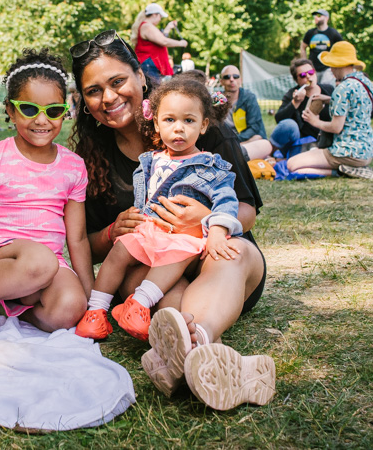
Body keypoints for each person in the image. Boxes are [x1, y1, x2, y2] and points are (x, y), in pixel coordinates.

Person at [69, 29, 274, 410]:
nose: (108, 97)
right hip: (154, 274)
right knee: (141, 279)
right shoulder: (92, 158)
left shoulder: (197, 121)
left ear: (140, 76)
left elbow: (246, 210)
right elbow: (90, 244)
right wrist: (113, 231)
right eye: (94, 91)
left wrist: (205, 220)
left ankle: (200, 338)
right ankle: (203, 357)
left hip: (218, 263)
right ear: (84, 102)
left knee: (233, 252)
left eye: (117, 81)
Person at [75, 76, 245, 343]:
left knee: (174, 258)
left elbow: (227, 202)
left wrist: (215, 230)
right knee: (120, 249)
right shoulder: (150, 160)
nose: (178, 128)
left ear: (203, 125)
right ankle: (95, 311)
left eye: (188, 121)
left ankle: (139, 305)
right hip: (150, 231)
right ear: (155, 123)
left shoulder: (211, 167)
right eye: (169, 120)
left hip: (183, 239)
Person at [0, 49, 92, 336]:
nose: (42, 120)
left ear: (64, 111)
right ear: (10, 111)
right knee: (40, 262)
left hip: (48, 265)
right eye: (29, 109)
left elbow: (77, 238)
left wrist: (92, 301)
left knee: (71, 307)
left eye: (53, 110)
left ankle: (14, 309)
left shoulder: (74, 166)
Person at [286, 41, 373, 179]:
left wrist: (314, 121)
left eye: (332, 65)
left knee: (292, 165)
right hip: (366, 152)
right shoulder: (364, 82)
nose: (331, 70)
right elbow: (354, 104)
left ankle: (340, 172)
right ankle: (351, 168)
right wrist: (330, 99)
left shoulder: (342, 88)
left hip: (345, 152)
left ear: (338, 65)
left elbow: (336, 127)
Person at [271, 58, 333, 159]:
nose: (308, 76)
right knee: (289, 124)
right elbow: (280, 120)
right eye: (303, 75)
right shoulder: (292, 94)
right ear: (297, 80)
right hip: (301, 140)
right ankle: (272, 151)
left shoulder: (328, 89)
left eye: (311, 72)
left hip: (325, 138)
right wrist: (295, 103)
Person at [218, 65, 271, 160]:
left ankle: (236, 151)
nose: (231, 79)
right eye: (227, 77)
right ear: (221, 81)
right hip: (227, 142)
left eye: (235, 76)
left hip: (245, 139)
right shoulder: (217, 100)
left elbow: (254, 127)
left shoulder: (249, 98)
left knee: (258, 139)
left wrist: (235, 140)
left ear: (240, 80)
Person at [129, 3, 188, 84]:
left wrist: (168, 28)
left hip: (150, 64)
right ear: (155, 14)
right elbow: (163, 41)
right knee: (153, 89)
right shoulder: (147, 26)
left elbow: (159, 39)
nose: (160, 19)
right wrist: (180, 43)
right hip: (149, 64)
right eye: (160, 16)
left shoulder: (147, 26)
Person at [300, 9, 343, 87]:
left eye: (319, 15)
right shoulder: (310, 33)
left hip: (327, 69)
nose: (316, 17)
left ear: (326, 18)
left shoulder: (333, 33)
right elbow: (303, 47)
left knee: (325, 88)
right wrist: (305, 63)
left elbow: (341, 49)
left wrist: (337, 68)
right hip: (313, 69)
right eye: (315, 16)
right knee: (313, 88)